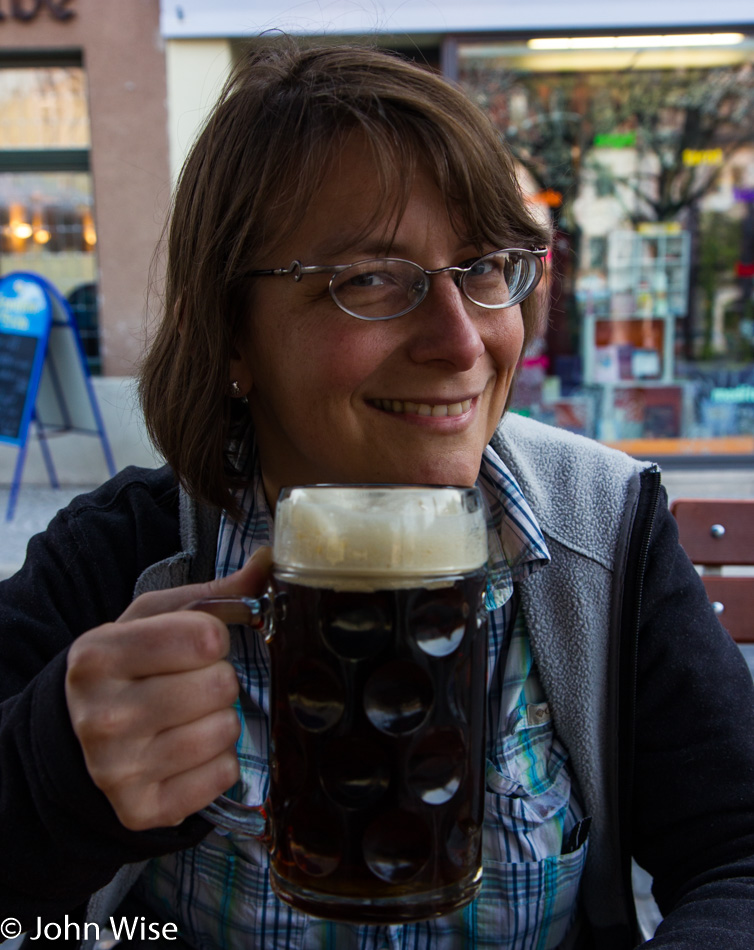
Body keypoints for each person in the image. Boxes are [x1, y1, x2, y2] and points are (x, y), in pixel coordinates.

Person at [2, 39, 754, 950]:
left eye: (484, 266)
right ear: (233, 337)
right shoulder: (120, 555)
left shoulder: (602, 526)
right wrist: (55, 783)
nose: (461, 342)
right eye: (369, 280)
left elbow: (737, 854)